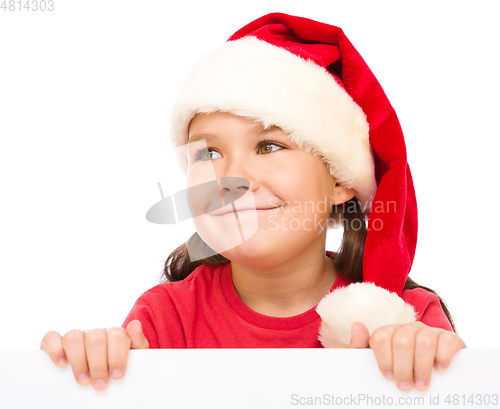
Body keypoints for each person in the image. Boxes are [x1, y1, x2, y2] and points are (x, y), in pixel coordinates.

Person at [40, 12, 466, 393]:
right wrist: (90, 366)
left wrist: (426, 363)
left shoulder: (407, 321)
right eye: (208, 153)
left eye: (268, 145)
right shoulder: (165, 318)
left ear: (340, 180)